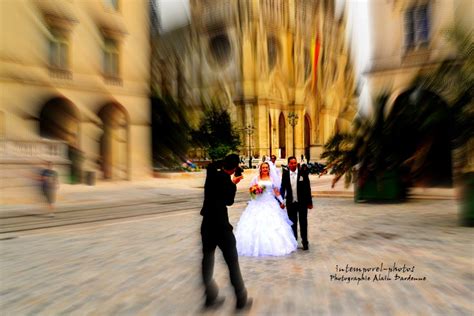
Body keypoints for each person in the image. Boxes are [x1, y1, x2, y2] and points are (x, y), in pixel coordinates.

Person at [200, 154, 253, 310]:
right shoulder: (229, 183)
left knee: (207, 260)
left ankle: (210, 296)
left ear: (223, 164)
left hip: (207, 225)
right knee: (232, 263)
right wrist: (233, 182)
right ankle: (241, 298)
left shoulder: (211, 174)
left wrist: (224, 164)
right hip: (222, 228)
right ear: (235, 168)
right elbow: (229, 201)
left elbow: (210, 165)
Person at [235, 162, 297, 256]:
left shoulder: (272, 179)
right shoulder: (256, 178)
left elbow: (276, 192)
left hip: (270, 202)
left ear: (269, 169)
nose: (265, 169)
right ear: (260, 169)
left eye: (266, 168)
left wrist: (281, 201)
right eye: (263, 167)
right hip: (258, 202)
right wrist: (256, 191)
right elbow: (251, 190)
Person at [280, 156, 313, 250]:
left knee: (303, 223)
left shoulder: (303, 173)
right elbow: (283, 188)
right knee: (292, 223)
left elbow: (308, 188)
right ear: (288, 164)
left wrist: (309, 202)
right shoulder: (285, 174)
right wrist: (282, 201)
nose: (293, 164)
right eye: (291, 163)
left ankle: (305, 242)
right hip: (291, 203)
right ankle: (294, 241)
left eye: (295, 163)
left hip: (302, 203)